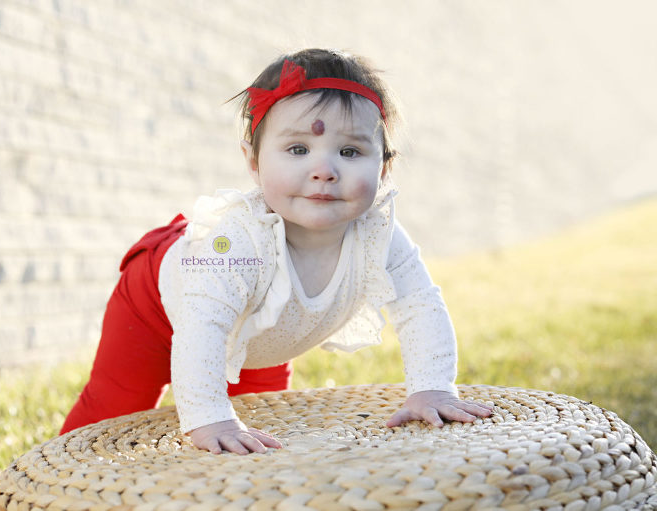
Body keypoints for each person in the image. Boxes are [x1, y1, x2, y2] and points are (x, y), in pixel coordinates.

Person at [60, 48, 492, 454]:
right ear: (254, 161)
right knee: (115, 409)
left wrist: (432, 387)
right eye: (298, 149)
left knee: (263, 439)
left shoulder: (378, 234)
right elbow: (202, 326)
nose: (324, 170)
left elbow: (419, 304)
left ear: (384, 167)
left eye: (350, 151)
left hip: (260, 334)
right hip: (156, 307)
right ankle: (52, 480)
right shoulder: (240, 243)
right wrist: (208, 417)